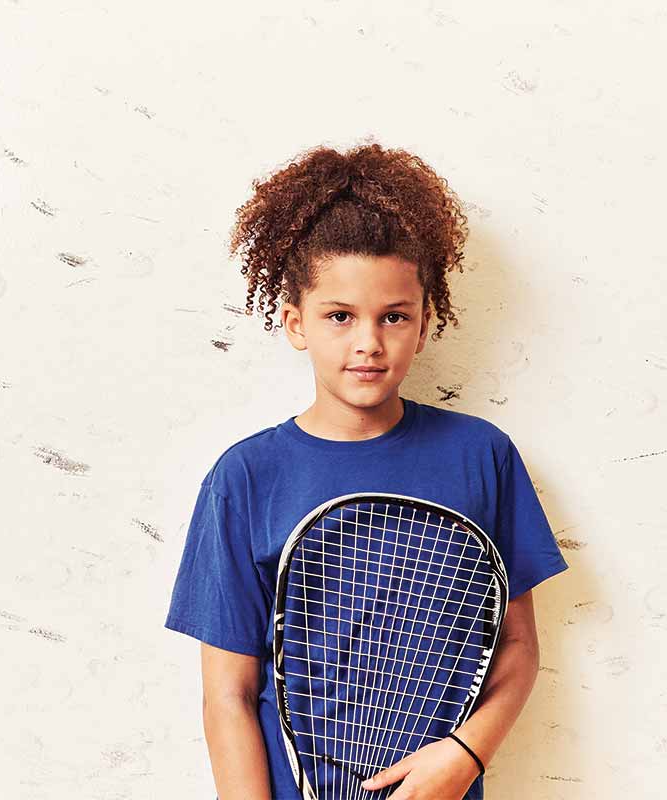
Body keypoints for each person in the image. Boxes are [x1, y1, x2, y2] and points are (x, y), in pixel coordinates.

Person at [163, 140, 569, 800]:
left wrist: (463, 757)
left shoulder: (482, 457)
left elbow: (518, 648)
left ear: (425, 321)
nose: (368, 343)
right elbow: (228, 697)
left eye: (394, 317)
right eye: (340, 316)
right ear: (295, 322)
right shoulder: (245, 478)